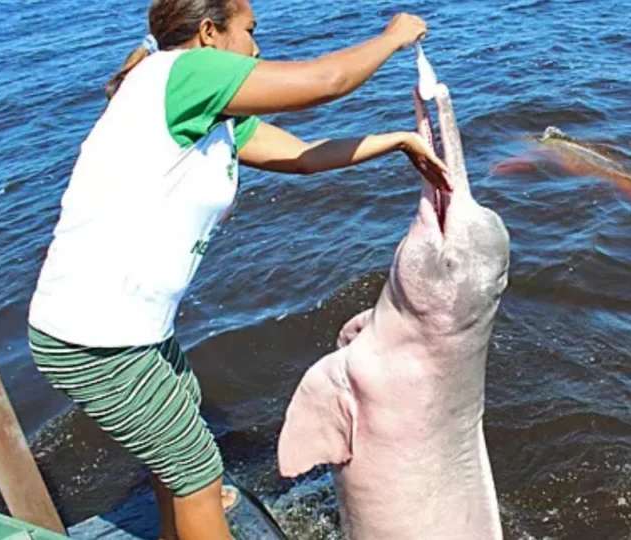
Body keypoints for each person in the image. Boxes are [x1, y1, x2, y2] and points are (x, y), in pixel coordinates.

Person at [26, 1, 449, 538]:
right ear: (208, 33)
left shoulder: (208, 110)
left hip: (128, 327)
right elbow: (327, 81)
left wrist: (397, 140)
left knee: (179, 445)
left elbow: (302, 156)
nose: (256, 47)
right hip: (94, 335)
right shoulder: (184, 73)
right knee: (200, 475)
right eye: (249, 32)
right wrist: (393, 37)